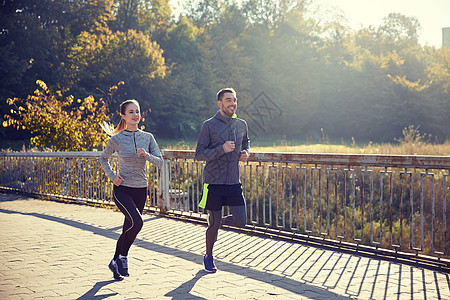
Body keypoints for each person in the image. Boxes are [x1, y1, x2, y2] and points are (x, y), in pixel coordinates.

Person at [99, 99, 163, 281]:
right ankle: (123, 257)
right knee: (138, 222)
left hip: (140, 189)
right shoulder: (116, 139)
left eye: (137, 111)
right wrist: (112, 177)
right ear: (124, 116)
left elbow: (160, 161)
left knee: (130, 226)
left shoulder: (148, 137)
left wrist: (146, 155)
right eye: (131, 112)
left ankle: (115, 260)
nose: (136, 115)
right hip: (122, 189)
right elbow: (103, 159)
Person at [195, 87, 249, 273]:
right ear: (220, 103)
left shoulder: (241, 124)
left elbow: (246, 142)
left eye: (234, 100)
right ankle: (209, 256)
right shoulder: (209, 125)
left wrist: (245, 152)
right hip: (213, 182)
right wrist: (222, 149)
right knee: (214, 225)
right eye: (228, 100)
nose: (233, 103)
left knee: (241, 221)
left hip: (233, 181)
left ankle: (215, 222)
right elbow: (199, 154)